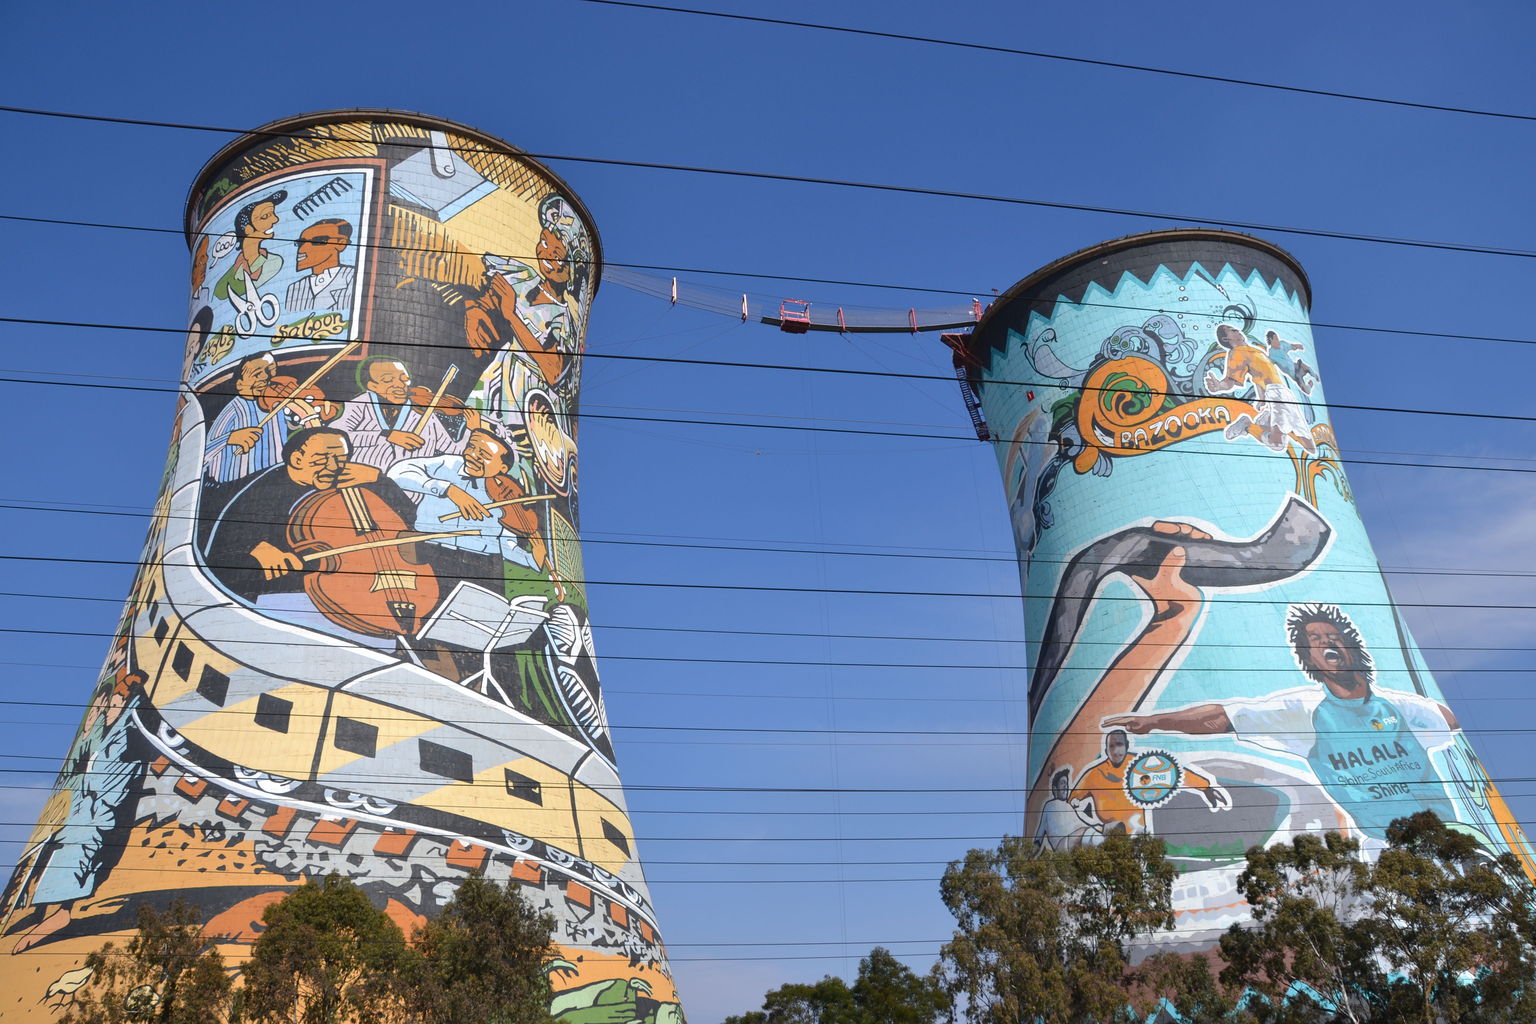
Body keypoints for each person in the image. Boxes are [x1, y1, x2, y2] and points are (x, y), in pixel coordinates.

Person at [1102, 603, 1460, 842]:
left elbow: (1451, 722)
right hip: (1389, 844)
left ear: (1352, 646)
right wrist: (1153, 721)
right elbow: (1223, 717)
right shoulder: (1303, 713)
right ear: (1309, 658)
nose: (1328, 644)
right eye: (1316, 640)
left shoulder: (1402, 707)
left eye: (1334, 637)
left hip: (1454, 836)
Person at [203, 428, 420, 641]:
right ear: (297, 459)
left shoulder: (349, 478)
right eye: (322, 459)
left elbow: (407, 517)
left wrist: (379, 479)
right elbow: (226, 535)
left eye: (341, 459)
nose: (334, 467)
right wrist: (256, 547)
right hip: (285, 598)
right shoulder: (267, 487)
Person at [387, 427, 548, 582]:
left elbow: (505, 543)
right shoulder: (448, 464)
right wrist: (448, 489)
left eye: (484, 454)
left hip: (478, 564)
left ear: (502, 468)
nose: (472, 455)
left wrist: (531, 559)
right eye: (471, 446)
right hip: (427, 550)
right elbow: (397, 471)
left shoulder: (504, 494)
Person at [1068, 730, 1227, 836]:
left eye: (1120, 745)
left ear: (1127, 745)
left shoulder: (1138, 766)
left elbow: (1173, 774)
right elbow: (1070, 801)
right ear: (1106, 749)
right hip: (1111, 836)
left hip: (1139, 833)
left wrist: (1205, 787)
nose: (1116, 751)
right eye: (1111, 746)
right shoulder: (1094, 774)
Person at [203, 353, 329, 484]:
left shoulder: (275, 404)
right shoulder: (234, 409)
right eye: (257, 374)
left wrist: (310, 413)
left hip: (274, 477)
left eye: (270, 372)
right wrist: (231, 438)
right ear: (240, 385)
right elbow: (203, 454)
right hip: (233, 485)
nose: (266, 377)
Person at [1205, 323, 1316, 454]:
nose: (1238, 331)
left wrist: (1262, 399)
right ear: (1226, 339)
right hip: (1276, 394)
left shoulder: (1256, 351)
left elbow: (1258, 376)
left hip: (1285, 394)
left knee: (1310, 448)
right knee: (1278, 443)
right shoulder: (1237, 353)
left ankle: (1268, 418)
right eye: (1233, 331)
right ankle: (1248, 426)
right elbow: (1231, 380)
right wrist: (1219, 386)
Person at [335, 356, 461, 472]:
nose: (400, 385)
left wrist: (475, 428)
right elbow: (335, 437)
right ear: (372, 386)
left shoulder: (422, 413)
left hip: (411, 491)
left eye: (404, 379)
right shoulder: (360, 405)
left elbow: (452, 449)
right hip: (364, 488)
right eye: (388, 380)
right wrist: (386, 435)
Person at [213, 189, 287, 302]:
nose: (275, 219)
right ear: (248, 229)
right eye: (266, 216)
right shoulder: (231, 272)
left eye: (273, 214)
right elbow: (220, 293)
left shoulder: (275, 262)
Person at [284, 219, 357, 312]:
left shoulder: (353, 278)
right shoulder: (295, 289)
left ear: (341, 244)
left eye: (318, 240)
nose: (302, 249)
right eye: (301, 242)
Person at [1034, 768, 1102, 851]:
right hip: (1061, 845)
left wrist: (1097, 826)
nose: (1065, 786)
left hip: (1074, 841)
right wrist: (1033, 852)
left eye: (1066, 784)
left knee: (1095, 831)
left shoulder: (1069, 806)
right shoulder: (1049, 805)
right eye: (1062, 783)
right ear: (1055, 788)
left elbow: (1079, 824)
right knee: (1087, 832)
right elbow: (1040, 832)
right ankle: (1103, 845)